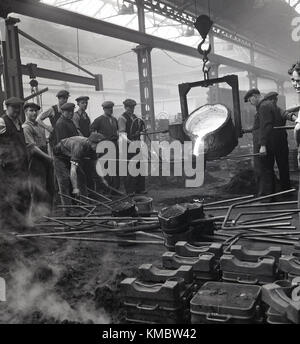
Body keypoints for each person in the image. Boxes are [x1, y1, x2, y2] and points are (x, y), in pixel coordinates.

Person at [244, 88, 290, 197]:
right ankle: (285, 192)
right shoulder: (269, 105)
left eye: (250, 100)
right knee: (280, 168)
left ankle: (267, 197)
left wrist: (263, 145)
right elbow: (262, 125)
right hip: (276, 142)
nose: (250, 103)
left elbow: (266, 125)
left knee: (264, 169)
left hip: (266, 143)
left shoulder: (263, 107)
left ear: (255, 96)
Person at [53, 133, 105, 215]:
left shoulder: (94, 149)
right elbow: (73, 170)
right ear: (90, 142)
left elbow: (95, 164)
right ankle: (67, 210)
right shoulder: (79, 146)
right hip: (60, 157)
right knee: (64, 180)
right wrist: (75, 188)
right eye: (96, 145)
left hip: (72, 155)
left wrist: (102, 180)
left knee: (82, 178)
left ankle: (85, 205)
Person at [0, 97, 31, 229]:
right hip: (9, 167)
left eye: (19, 108)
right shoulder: (2, 122)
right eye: (14, 108)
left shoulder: (18, 122)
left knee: (25, 193)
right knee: (11, 196)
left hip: (21, 165)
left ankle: (23, 222)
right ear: (7, 108)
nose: (17, 110)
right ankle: (11, 226)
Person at [22, 102, 55, 213]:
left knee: (50, 186)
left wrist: (49, 156)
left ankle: (47, 213)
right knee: (38, 187)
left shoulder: (39, 125)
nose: (34, 113)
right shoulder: (26, 127)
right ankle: (37, 215)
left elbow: (46, 143)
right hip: (35, 159)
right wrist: (48, 158)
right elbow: (32, 148)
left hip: (45, 157)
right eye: (31, 110)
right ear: (25, 112)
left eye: (36, 110)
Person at [118, 98, 146, 195]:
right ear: (125, 107)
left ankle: (140, 188)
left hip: (137, 146)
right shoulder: (122, 118)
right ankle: (130, 191)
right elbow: (122, 135)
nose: (132, 109)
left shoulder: (135, 117)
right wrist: (131, 142)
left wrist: (141, 141)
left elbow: (141, 131)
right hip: (127, 147)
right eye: (130, 107)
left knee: (140, 167)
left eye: (133, 107)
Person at [91, 101, 120, 190]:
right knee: (106, 167)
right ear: (104, 109)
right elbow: (92, 132)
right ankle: (107, 189)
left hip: (114, 145)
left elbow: (117, 131)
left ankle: (115, 189)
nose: (110, 110)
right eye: (108, 108)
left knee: (115, 167)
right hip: (104, 147)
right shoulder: (99, 120)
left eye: (111, 108)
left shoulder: (114, 119)